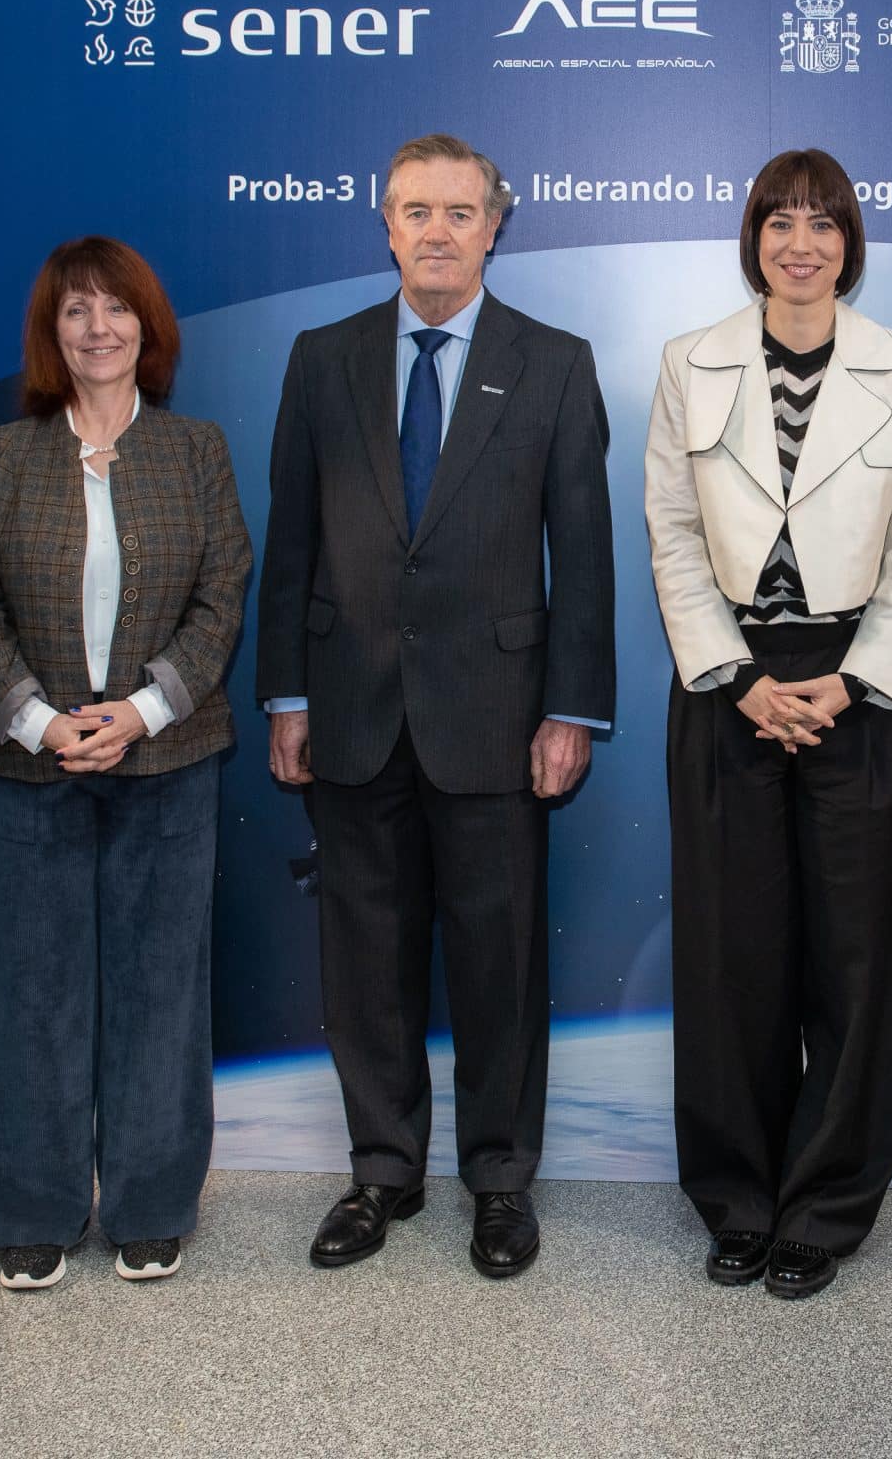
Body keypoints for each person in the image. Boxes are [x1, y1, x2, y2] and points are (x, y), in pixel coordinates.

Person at [258, 133, 614, 1280]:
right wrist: (289, 694)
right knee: (366, 959)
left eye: (460, 212)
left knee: (500, 961)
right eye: (415, 210)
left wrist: (572, 711)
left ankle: (501, 1180)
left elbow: (586, 560)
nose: (437, 231)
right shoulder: (324, 358)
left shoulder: (552, 361)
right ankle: (382, 1170)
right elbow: (293, 543)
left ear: (495, 226)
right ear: (385, 222)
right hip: (354, 709)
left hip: (500, 717)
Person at [644, 147, 892, 1300]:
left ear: (850, 244)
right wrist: (733, 677)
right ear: (753, 238)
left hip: (855, 690)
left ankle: (824, 1207)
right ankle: (736, 1199)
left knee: (855, 963)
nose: (801, 242)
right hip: (728, 688)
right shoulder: (691, 360)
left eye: (823, 223)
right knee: (733, 960)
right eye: (780, 220)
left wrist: (854, 678)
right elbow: (671, 533)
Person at [0, 236, 253, 1291]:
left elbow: (223, 596)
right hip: (27, 764)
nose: (97, 328)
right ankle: (31, 1209)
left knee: (160, 986)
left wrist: (139, 710)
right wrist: (38, 720)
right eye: (75, 310)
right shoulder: (0, 454)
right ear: (52, 332)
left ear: (147, 326)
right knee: (30, 991)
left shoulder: (196, 449)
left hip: (166, 760)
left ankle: (150, 1203)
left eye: (115, 308)